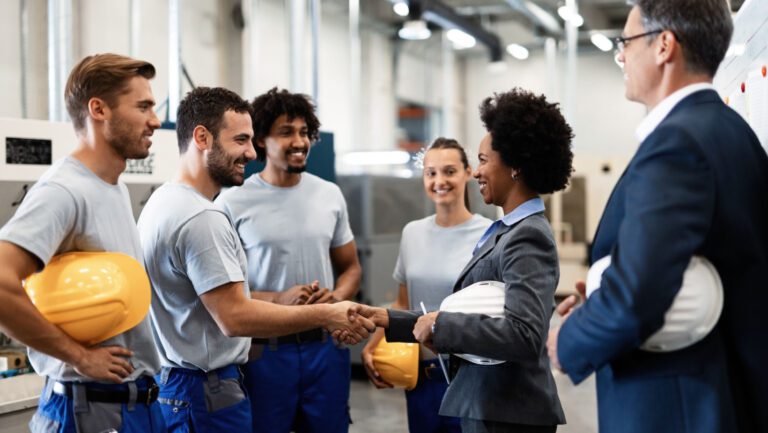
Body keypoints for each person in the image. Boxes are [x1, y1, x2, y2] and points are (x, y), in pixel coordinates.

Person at [546, 1, 768, 432]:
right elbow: (690, 267)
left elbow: (638, 296)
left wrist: (567, 342)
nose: (622, 56)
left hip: (674, 408)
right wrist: (598, 295)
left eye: (626, 42)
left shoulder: (677, 144)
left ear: (664, 45)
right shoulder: (731, 132)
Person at [137, 87, 373, 433]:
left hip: (205, 377)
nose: (249, 153)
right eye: (241, 140)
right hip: (233, 369)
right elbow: (233, 314)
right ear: (202, 138)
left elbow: (221, 295)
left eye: (305, 132)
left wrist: (335, 302)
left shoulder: (163, 203)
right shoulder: (212, 213)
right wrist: (319, 311)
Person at [356, 88, 573, 433]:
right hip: (489, 404)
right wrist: (384, 318)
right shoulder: (507, 230)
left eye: (484, 161)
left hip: (507, 412)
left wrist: (441, 326)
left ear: (515, 165)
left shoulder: (527, 235)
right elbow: (475, 310)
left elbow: (524, 333)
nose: (477, 173)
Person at [0, 54, 165, 433]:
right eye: (143, 107)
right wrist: (78, 356)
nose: (155, 120)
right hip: (88, 410)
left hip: (134, 406)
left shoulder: (115, 188)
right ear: (99, 109)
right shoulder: (63, 191)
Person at [215, 87, 361, 433]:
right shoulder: (233, 202)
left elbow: (352, 268)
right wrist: (278, 300)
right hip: (265, 354)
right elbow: (222, 296)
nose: (299, 141)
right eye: (286, 132)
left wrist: (335, 301)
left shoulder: (329, 195)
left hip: (325, 349)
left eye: (304, 132)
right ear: (261, 141)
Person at [361, 138, 492, 433]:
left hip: (470, 378)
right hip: (421, 379)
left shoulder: (488, 235)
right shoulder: (412, 233)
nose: (439, 181)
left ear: (468, 173)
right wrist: (371, 347)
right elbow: (401, 303)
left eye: (449, 171)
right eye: (431, 173)